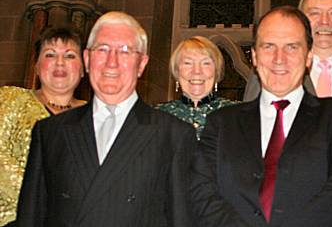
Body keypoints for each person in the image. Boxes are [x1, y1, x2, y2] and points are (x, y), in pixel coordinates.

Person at [15, 11, 196, 226]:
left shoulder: (173, 135)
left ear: (142, 64)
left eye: (125, 51)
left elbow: (182, 219)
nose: (112, 62)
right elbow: (30, 217)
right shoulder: (50, 132)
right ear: (88, 59)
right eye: (103, 49)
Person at [191, 6, 332, 226]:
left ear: (308, 56)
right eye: (268, 47)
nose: (279, 59)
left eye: (292, 47)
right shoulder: (221, 123)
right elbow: (202, 194)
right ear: (254, 56)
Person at [0, 27, 86, 226]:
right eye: (50, 54)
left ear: (83, 68)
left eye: (70, 55)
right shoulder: (9, 99)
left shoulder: (97, 116)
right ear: (37, 66)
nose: (60, 62)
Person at [157, 36, 236, 140]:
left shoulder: (236, 115)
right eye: (188, 63)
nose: (197, 71)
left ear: (216, 72)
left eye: (206, 63)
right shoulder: (157, 117)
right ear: (177, 71)